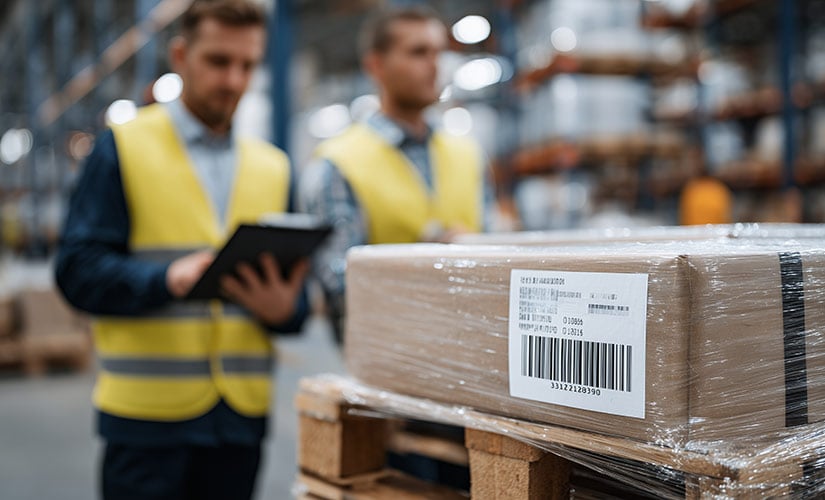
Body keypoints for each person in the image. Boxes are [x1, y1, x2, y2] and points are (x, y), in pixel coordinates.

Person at [55, 1, 307, 499]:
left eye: (247, 65)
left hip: (239, 422)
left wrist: (287, 311)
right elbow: (76, 271)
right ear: (180, 55)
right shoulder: (121, 147)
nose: (233, 80)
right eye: (218, 61)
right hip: (147, 424)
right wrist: (166, 279)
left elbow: (295, 293)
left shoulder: (273, 167)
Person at [298, 6, 492, 345]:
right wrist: (429, 263)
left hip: (468, 349)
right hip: (387, 358)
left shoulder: (468, 155)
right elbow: (342, 286)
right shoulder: (340, 163)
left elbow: (496, 263)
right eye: (418, 52)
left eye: (439, 52)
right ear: (376, 65)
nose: (435, 65)